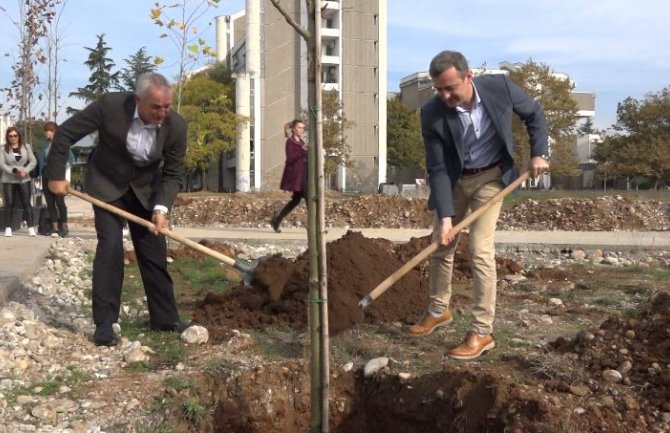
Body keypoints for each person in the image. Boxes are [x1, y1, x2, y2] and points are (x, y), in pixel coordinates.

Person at [410, 50, 550, 360]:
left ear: (468, 76)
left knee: (479, 248)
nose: (445, 95)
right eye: (439, 90)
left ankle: (482, 332)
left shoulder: (499, 88)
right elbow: (438, 167)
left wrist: (539, 153)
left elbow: (535, 114)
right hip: (456, 178)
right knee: (441, 244)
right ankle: (438, 310)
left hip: (492, 178)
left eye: (451, 88)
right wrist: (445, 217)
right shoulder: (432, 113)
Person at [46, 72, 190, 346]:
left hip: (146, 192)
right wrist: (55, 175)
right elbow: (64, 134)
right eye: (155, 107)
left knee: (153, 253)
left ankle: (165, 319)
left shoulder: (177, 126)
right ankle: (105, 323)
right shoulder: (110, 106)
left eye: (167, 106)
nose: (162, 113)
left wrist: (161, 208)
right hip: (106, 186)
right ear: (138, 100)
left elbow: (173, 174)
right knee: (110, 248)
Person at [270, 119, 308, 233]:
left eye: (303, 128)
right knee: (309, 199)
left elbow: (305, 158)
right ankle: (315, 227)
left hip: (304, 174)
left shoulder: (302, 142)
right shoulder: (290, 142)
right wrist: (302, 150)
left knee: (296, 200)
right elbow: (290, 158)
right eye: (299, 127)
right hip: (297, 176)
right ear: (293, 129)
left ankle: (276, 220)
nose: (302, 130)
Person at [38, 121, 75, 237]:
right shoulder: (44, 145)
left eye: (47, 131)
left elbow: (71, 159)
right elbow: (41, 161)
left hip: (58, 177)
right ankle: (54, 228)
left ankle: (63, 226)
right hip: (46, 176)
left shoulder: (62, 144)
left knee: (60, 202)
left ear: (53, 131)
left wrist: (60, 168)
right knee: (50, 203)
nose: (45, 133)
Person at [1, 127, 37, 237]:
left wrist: (25, 171)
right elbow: (2, 164)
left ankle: (31, 228)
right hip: (8, 178)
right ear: (7, 137)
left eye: (15, 136)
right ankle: (8, 228)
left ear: (19, 136)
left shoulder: (26, 147)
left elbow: (33, 161)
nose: (13, 138)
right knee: (9, 203)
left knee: (26, 203)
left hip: (23, 178)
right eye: (10, 136)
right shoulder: (3, 148)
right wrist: (13, 172)